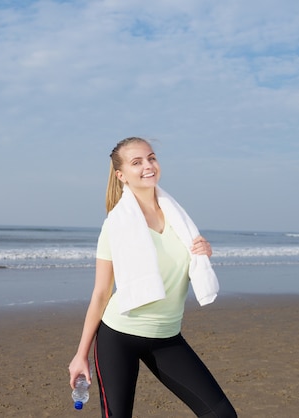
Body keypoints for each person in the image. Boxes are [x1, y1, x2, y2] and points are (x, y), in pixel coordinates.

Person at [69, 137, 236, 417]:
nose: (148, 166)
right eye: (137, 162)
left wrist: (203, 252)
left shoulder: (179, 219)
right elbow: (101, 293)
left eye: (151, 158)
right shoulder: (115, 225)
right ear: (121, 175)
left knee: (221, 413)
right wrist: (80, 354)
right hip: (119, 334)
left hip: (166, 335)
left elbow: (184, 261)